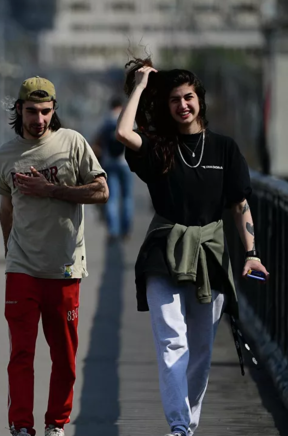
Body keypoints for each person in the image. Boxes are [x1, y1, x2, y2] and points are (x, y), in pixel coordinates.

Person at [115, 60, 269, 436]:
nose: (182, 105)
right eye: (173, 100)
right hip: (163, 252)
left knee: (199, 352)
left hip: (210, 256)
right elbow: (123, 132)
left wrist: (251, 252)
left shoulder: (225, 149)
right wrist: (138, 86)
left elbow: (239, 204)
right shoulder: (159, 148)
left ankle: (189, 423)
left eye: (188, 98)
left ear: (200, 100)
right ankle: (179, 427)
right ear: (166, 107)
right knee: (172, 342)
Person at [0, 77, 109, 436]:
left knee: (65, 358)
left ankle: (55, 424)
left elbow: (101, 190)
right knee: (21, 355)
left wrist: (52, 190)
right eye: (32, 111)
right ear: (19, 110)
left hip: (64, 268)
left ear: (54, 110)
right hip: (23, 268)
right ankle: (21, 426)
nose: (39, 119)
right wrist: (8, 250)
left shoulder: (72, 142)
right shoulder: (4, 156)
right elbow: (6, 208)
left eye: (45, 111)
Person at [94, 97, 133, 241]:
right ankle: (126, 230)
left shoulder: (106, 121)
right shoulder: (127, 119)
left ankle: (112, 230)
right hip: (125, 163)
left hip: (109, 163)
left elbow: (98, 142)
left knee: (112, 198)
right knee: (127, 197)